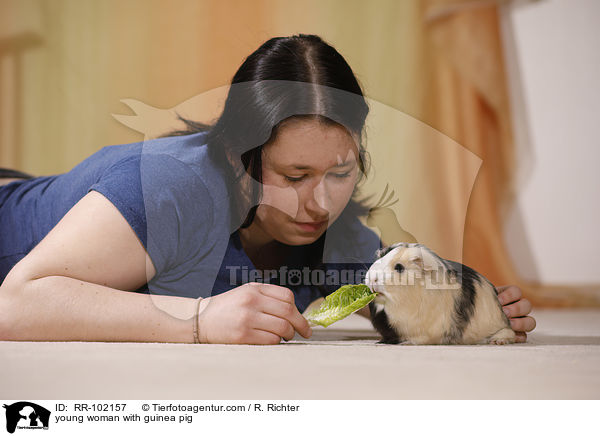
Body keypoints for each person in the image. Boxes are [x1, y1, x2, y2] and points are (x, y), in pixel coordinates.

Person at [0, 34, 535, 344]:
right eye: (295, 177)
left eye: (341, 172)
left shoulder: (341, 237)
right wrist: (200, 321)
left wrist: (464, 310)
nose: (322, 203)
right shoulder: (169, 190)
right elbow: (14, 306)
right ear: (239, 158)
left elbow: (387, 300)